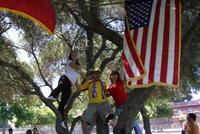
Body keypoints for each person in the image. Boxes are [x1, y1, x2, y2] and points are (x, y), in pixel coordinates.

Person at [47, 51, 82, 121]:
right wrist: (86, 77)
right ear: (70, 56)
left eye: (75, 54)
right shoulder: (69, 62)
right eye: (72, 54)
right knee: (61, 86)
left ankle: (61, 119)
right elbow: (78, 68)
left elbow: (75, 80)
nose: (74, 55)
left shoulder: (77, 68)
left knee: (64, 100)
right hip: (65, 78)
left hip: (69, 84)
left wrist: (79, 88)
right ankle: (51, 96)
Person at [79, 69, 115, 134]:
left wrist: (109, 91)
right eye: (95, 73)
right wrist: (87, 79)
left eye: (99, 73)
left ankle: (117, 130)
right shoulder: (89, 82)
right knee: (84, 119)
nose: (97, 75)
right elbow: (80, 89)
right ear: (93, 75)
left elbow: (106, 94)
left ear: (100, 75)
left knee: (110, 117)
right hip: (92, 104)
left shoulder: (103, 83)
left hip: (103, 103)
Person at [106, 70, 143, 134]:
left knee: (132, 121)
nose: (114, 76)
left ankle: (139, 133)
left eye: (115, 74)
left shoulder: (120, 82)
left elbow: (122, 73)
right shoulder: (110, 87)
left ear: (118, 76)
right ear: (110, 77)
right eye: (112, 75)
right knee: (118, 121)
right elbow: (106, 94)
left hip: (125, 104)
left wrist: (123, 63)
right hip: (118, 107)